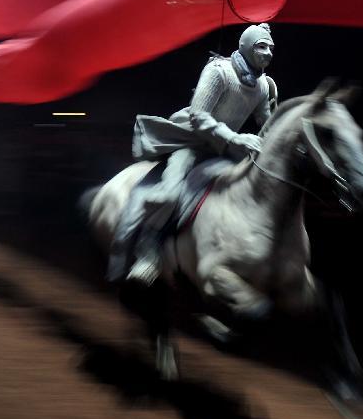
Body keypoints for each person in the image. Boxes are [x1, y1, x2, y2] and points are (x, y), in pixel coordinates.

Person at [109, 23, 278, 287]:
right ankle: (148, 251)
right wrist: (235, 137)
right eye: (261, 46)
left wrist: (277, 122)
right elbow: (199, 116)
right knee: (170, 192)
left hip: (222, 149)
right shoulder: (218, 71)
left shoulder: (263, 86)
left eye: (271, 48)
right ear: (246, 47)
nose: (268, 53)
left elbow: (265, 123)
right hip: (190, 141)